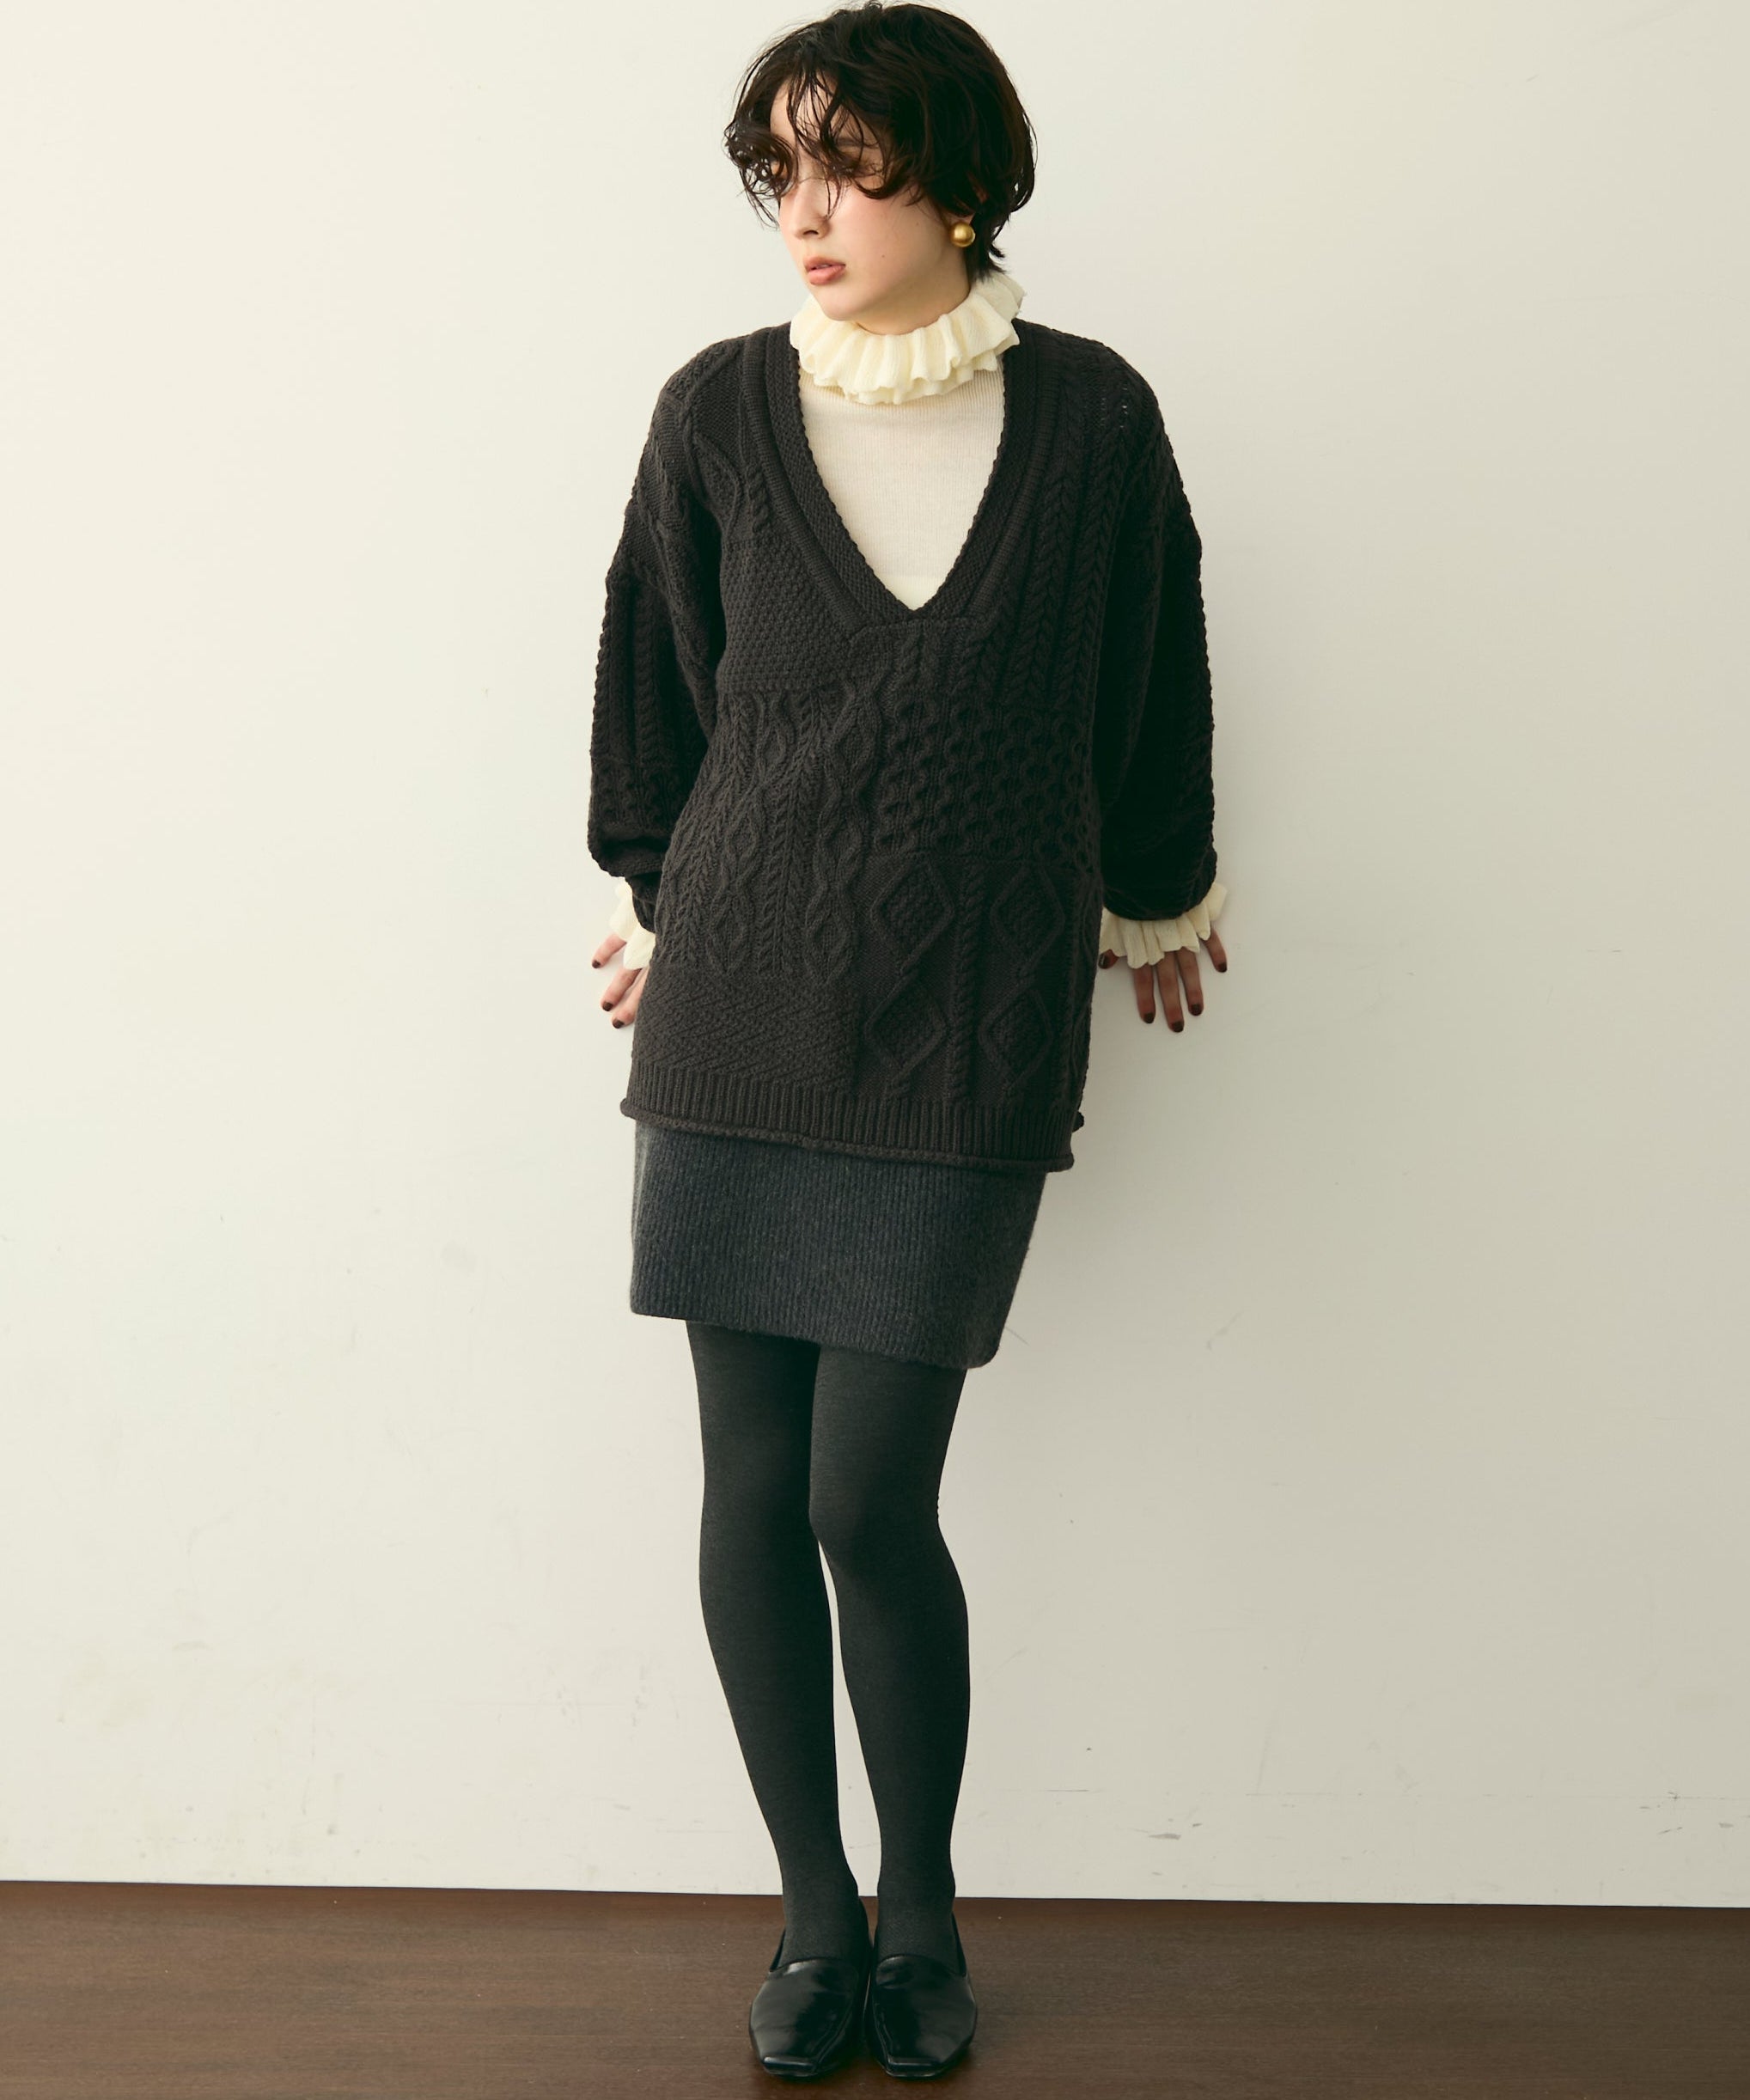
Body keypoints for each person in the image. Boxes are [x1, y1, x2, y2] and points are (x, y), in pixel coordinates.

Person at [587, 3, 1229, 2077]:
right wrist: (652, 900)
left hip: (963, 1021)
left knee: (869, 1493)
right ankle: (813, 1915)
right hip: (739, 1005)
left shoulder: (1092, 422)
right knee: (750, 1483)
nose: (807, 211)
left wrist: (1159, 890)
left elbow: (1149, 674)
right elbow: (655, 687)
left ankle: (925, 1905)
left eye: (848, 166)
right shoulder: (715, 411)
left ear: (959, 178)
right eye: (777, 171)